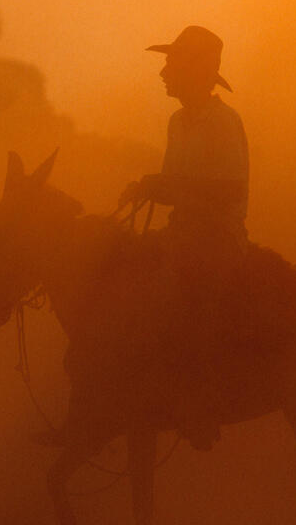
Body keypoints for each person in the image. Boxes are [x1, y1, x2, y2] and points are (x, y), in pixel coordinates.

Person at [119, 25, 249, 450]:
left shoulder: (224, 121)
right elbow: (176, 182)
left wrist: (162, 186)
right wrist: (151, 186)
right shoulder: (177, 122)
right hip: (183, 234)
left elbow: (227, 189)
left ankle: (201, 404)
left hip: (217, 239)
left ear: (195, 70)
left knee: (180, 297)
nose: (163, 72)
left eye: (171, 62)